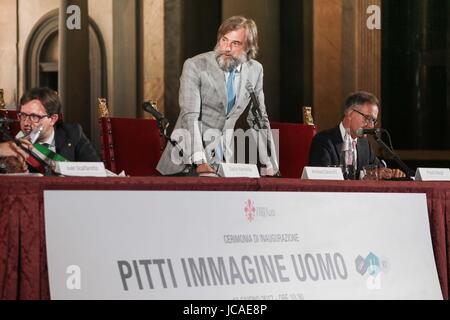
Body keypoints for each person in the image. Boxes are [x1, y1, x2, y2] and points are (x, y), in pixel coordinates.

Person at [156, 16, 278, 176]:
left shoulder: (255, 70)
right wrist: (200, 161)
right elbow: (190, 117)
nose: (227, 48)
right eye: (224, 40)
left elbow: (260, 119)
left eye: (235, 43)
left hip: (223, 162)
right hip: (185, 163)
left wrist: (271, 164)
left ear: (249, 47)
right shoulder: (195, 65)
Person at [308, 91, 404, 179]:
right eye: (367, 118)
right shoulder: (323, 141)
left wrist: (389, 173)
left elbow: (379, 169)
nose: (371, 126)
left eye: (373, 121)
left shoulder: (365, 145)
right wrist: (368, 175)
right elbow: (322, 179)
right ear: (350, 114)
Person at [16, 87, 100, 162]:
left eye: (34, 116)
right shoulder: (14, 142)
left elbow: (95, 169)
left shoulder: (73, 133)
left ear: (53, 119)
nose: (26, 122)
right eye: (23, 115)